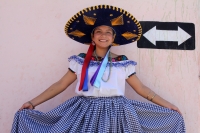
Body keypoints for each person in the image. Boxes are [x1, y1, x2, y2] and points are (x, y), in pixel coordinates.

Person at [11, 5, 185, 133]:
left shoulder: (122, 62)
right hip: (85, 112)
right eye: (99, 32)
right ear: (92, 38)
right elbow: (60, 85)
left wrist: (168, 105)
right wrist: (32, 103)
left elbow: (142, 89)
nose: (103, 35)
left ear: (113, 38)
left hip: (117, 114)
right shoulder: (79, 61)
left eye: (108, 32)